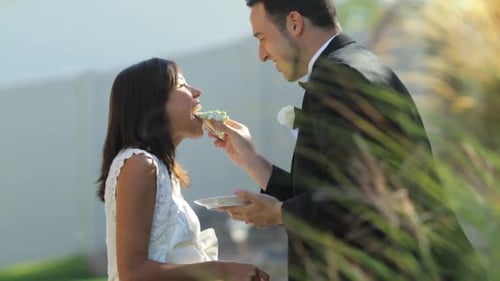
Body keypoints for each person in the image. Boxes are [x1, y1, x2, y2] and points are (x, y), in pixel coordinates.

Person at [210, 0, 486, 280]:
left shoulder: (339, 76)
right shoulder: (355, 64)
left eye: (262, 37)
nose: (262, 55)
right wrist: (252, 161)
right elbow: (332, 188)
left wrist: (281, 213)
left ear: (294, 23)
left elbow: (360, 196)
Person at [97, 58, 269, 281]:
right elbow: (133, 273)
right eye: (181, 85)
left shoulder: (160, 169)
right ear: (154, 102)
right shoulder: (140, 163)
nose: (197, 92)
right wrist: (222, 271)